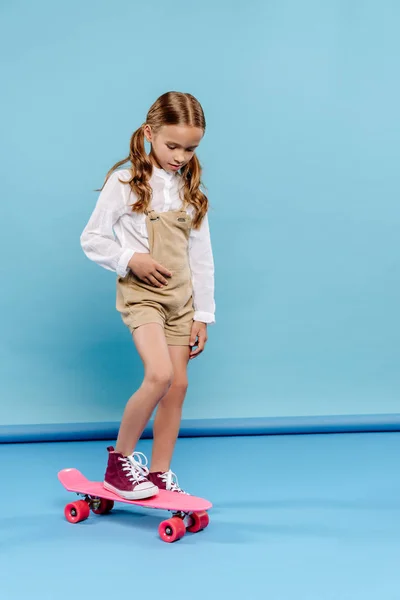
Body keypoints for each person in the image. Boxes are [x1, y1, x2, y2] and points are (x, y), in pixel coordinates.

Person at [80, 91, 215, 500]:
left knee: (178, 387)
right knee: (159, 375)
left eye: (190, 149)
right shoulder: (124, 182)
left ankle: (159, 474)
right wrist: (130, 258)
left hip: (181, 300)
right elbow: (92, 239)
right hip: (144, 296)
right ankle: (119, 464)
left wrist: (203, 314)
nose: (180, 156)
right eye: (172, 145)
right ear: (149, 134)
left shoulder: (189, 190)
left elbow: (201, 256)